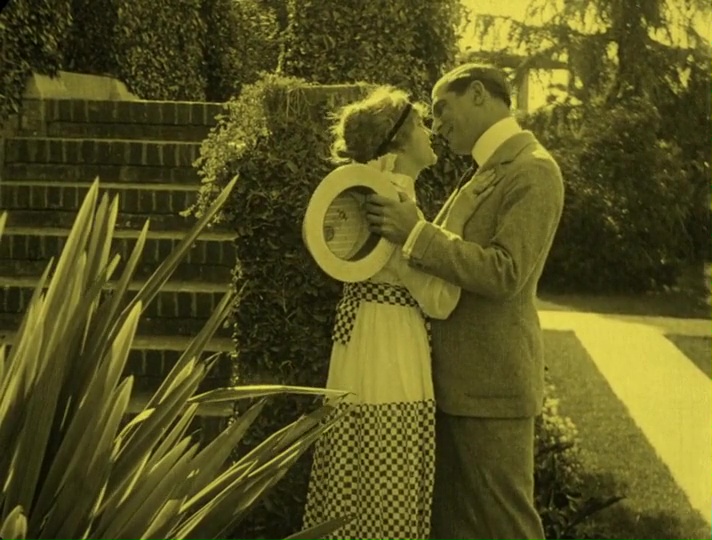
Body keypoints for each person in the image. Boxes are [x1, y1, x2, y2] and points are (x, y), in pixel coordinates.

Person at [365, 63, 565, 540]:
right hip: (456, 386)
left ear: (478, 94)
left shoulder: (534, 170)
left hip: (492, 390)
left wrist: (416, 233)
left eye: (441, 109)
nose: (436, 125)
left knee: (506, 526)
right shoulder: (485, 171)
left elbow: (505, 272)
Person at [301, 86, 462, 540]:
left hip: (362, 334)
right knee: (387, 457)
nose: (429, 133)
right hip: (389, 339)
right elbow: (438, 298)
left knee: (358, 457)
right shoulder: (393, 200)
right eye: (421, 125)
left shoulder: (370, 190)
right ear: (398, 142)